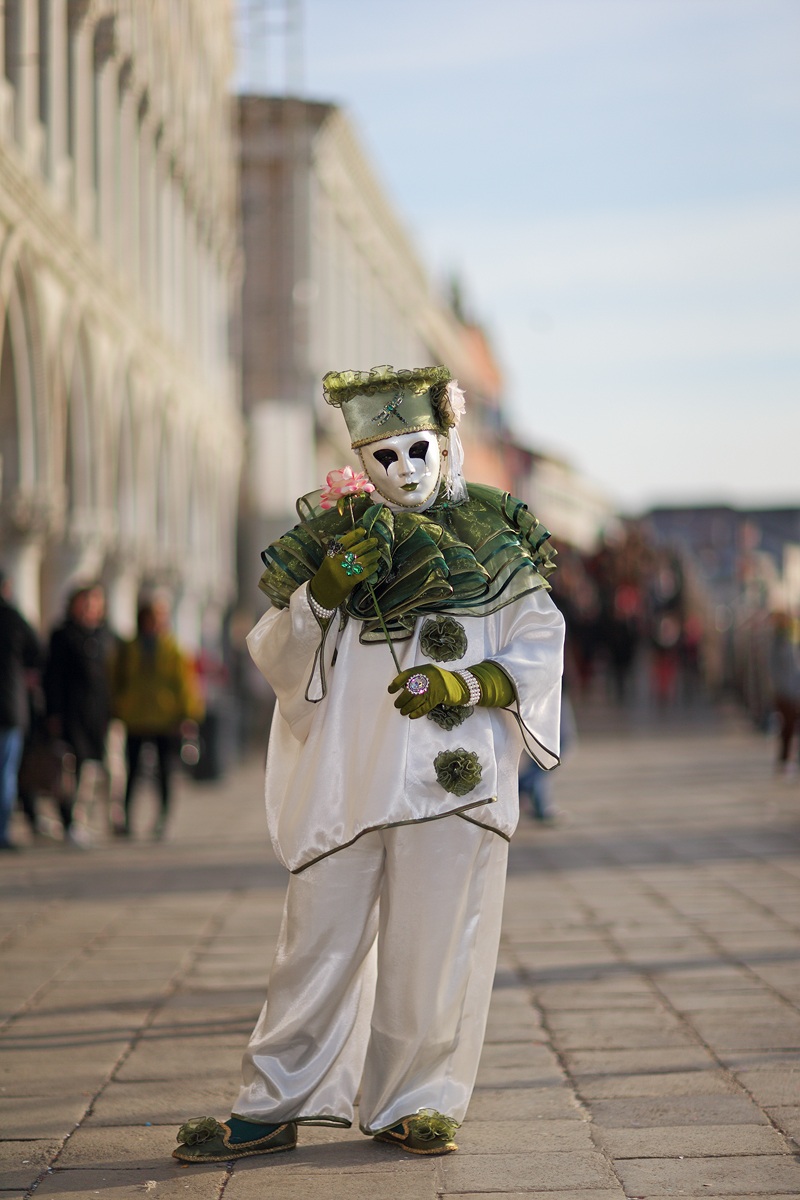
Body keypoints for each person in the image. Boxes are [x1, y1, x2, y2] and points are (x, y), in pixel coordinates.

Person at [172, 364, 564, 1164]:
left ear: (446, 442)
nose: (405, 469)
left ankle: (413, 1100)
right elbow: (276, 655)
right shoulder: (337, 536)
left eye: (418, 449)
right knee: (314, 940)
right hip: (349, 776)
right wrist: (322, 592)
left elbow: (539, 645)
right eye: (384, 455)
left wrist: (462, 683)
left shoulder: (490, 539)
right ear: (360, 460)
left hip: (451, 780)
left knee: (434, 947)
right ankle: (274, 1101)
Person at [112, 599, 204, 839]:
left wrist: (188, 715)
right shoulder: (129, 648)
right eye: (152, 618)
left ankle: (162, 818)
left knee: (164, 771)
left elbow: (185, 684)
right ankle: (126, 818)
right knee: (132, 770)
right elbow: (115, 679)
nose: (155, 623)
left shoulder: (173, 650)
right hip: (135, 717)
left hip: (165, 719)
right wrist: (118, 706)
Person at [43, 584, 115, 845]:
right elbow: (52, 677)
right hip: (71, 712)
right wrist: (53, 712)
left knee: (96, 769)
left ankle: (87, 819)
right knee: (70, 768)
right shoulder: (63, 635)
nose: (89, 608)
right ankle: (70, 821)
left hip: (99, 713)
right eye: (85, 602)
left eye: (94, 603)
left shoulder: (106, 636)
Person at [0, 572, 41, 851]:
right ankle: (1, 831)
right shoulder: (13, 618)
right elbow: (37, 652)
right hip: (9, 706)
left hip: (9, 706)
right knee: (5, 772)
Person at [768, 610, 800, 774]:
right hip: (785, 692)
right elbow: (774, 669)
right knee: (788, 726)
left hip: (793, 690)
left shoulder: (790, 640)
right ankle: (784, 759)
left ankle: (786, 758)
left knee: (790, 726)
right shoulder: (777, 642)